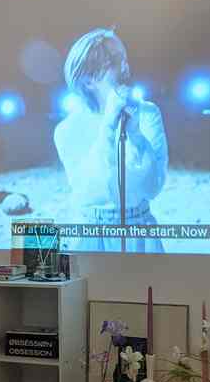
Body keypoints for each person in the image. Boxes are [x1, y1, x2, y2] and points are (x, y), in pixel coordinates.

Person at [54, 28, 168, 252]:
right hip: (89, 234)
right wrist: (108, 124)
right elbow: (91, 189)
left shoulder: (148, 114)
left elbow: (153, 187)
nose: (125, 66)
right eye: (114, 61)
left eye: (124, 57)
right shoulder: (67, 130)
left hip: (139, 232)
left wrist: (135, 136)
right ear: (88, 81)